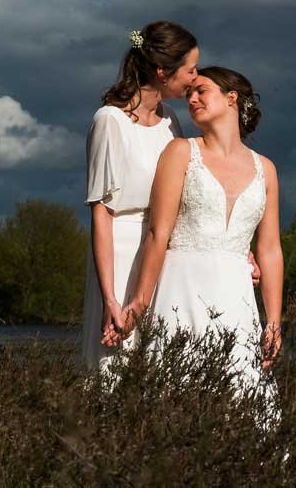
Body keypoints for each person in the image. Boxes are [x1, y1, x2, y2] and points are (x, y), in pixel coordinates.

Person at [122, 65, 284, 403]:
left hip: (236, 299)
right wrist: (139, 302)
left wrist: (273, 322)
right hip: (180, 290)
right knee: (176, 393)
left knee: (242, 395)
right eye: (189, 93)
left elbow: (269, 249)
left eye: (201, 91)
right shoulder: (181, 152)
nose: (191, 98)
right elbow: (157, 233)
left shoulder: (265, 169)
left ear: (231, 98)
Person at [81, 20, 199, 373]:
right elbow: (101, 212)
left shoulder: (170, 121)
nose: (195, 77)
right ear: (163, 72)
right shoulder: (110, 121)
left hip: (163, 251)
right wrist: (110, 298)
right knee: (114, 363)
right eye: (190, 69)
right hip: (120, 252)